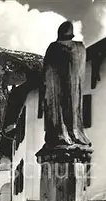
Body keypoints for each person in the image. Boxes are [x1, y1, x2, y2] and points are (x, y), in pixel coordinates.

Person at [41, 21, 91, 150]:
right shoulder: (80, 48)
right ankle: (73, 133)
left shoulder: (54, 48)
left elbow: (47, 72)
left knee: (61, 110)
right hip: (73, 89)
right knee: (73, 108)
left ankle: (63, 133)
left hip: (59, 92)